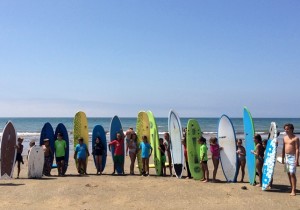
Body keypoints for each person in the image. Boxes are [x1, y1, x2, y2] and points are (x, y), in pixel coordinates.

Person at [282, 123, 299, 196]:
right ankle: (292, 187)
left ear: (292, 129)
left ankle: (293, 190)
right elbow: (283, 148)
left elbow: (297, 149)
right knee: (288, 172)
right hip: (286, 157)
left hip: (293, 157)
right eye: (285, 129)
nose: (286, 130)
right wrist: (282, 158)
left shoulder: (296, 138)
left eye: (287, 129)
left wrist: (297, 160)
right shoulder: (284, 137)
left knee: (292, 173)